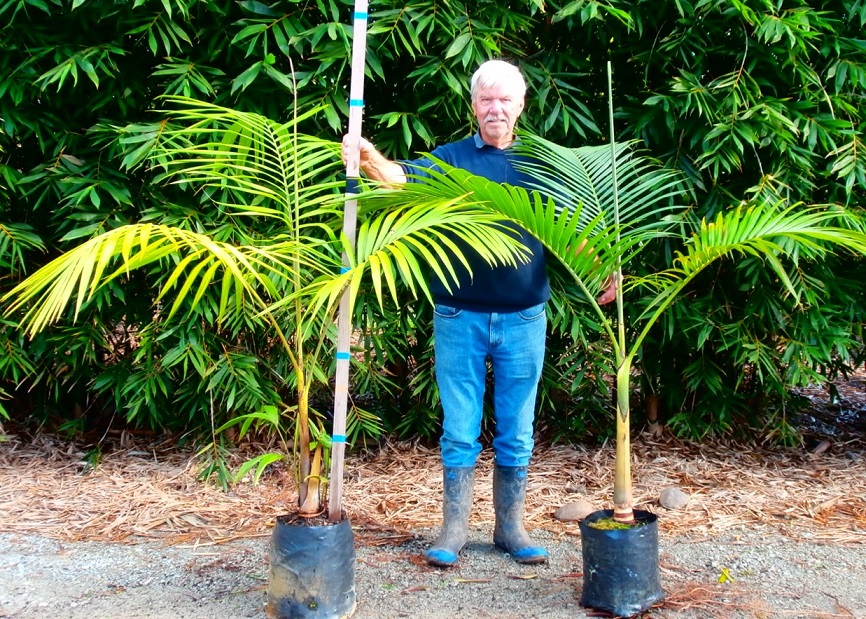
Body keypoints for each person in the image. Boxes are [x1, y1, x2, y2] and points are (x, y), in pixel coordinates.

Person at [342, 59, 616, 568]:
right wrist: (366, 155)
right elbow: (399, 180)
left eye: (505, 99)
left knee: (517, 428)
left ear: (521, 106)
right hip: (458, 315)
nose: (495, 108)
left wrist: (602, 266)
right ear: (474, 106)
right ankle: (454, 528)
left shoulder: (542, 166)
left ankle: (511, 527)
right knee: (460, 427)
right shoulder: (450, 159)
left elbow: (570, 227)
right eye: (486, 99)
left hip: (525, 317)